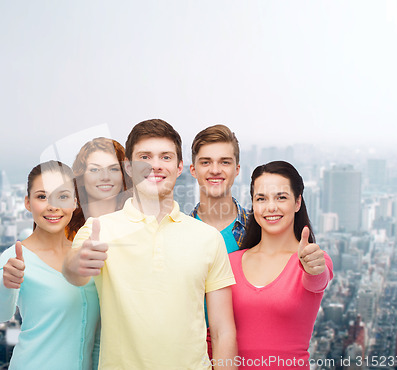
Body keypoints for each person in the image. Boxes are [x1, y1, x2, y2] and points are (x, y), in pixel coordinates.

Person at [63, 119, 238, 370]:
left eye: (165, 157)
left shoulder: (208, 238)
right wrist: (78, 262)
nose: (155, 165)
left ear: (179, 168)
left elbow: (222, 331)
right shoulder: (98, 230)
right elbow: (73, 273)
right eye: (145, 157)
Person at [0, 160, 100, 370]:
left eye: (63, 196)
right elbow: (0, 314)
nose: (53, 206)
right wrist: (6, 286)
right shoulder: (14, 258)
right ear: (28, 203)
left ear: (75, 203)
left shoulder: (85, 254)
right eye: (42, 196)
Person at [229, 161, 333, 369]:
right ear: (253, 204)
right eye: (261, 198)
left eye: (281, 197)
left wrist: (313, 268)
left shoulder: (312, 259)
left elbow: (318, 279)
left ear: (297, 202)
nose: (271, 207)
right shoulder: (230, 262)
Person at [189, 124, 247, 359]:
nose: (215, 170)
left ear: (237, 169)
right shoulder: (176, 233)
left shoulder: (259, 231)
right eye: (206, 162)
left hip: (250, 351)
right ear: (193, 170)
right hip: (190, 355)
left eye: (224, 162)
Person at [65, 137, 132, 241]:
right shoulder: (64, 228)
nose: (105, 177)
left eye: (113, 169)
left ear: (124, 175)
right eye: (95, 169)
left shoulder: (139, 224)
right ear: (81, 178)